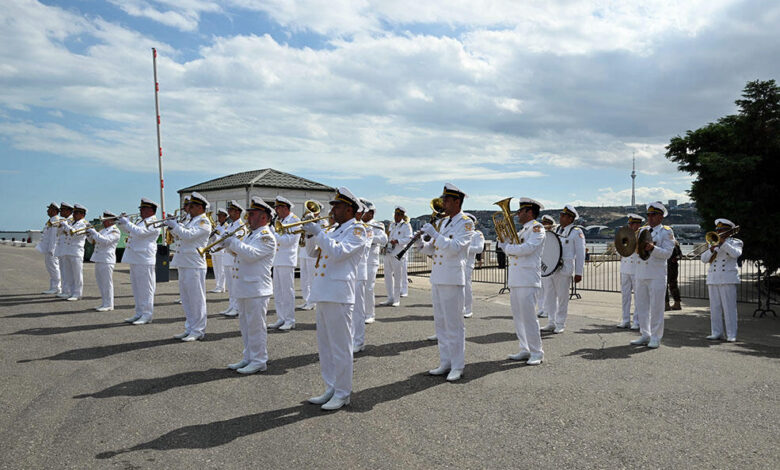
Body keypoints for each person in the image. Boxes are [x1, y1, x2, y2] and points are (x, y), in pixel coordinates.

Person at [302, 187, 366, 411]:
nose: (333, 210)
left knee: (340, 346)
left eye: (337, 206)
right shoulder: (335, 230)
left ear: (349, 209)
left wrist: (319, 232)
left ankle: (343, 392)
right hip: (324, 291)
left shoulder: (357, 230)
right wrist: (311, 235)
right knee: (326, 346)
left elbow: (339, 253)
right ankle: (330, 387)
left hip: (339, 294)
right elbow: (312, 254)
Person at [415, 183, 474, 382]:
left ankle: (457, 365)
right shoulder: (444, 223)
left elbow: (455, 247)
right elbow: (433, 250)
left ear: (457, 201)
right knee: (440, 323)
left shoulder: (466, 223)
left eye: (447, 200)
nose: (443, 203)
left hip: (452, 278)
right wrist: (419, 243)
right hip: (439, 277)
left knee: (454, 324)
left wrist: (434, 234)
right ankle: (445, 361)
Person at [224, 197, 277, 373]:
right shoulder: (251, 234)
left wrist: (235, 243)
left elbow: (252, 254)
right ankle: (248, 357)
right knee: (245, 326)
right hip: (245, 286)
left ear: (264, 217)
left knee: (256, 327)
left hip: (256, 288)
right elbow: (240, 255)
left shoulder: (267, 236)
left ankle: (259, 360)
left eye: (252, 214)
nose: (248, 217)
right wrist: (228, 246)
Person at [500, 197, 546, 365]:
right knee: (518, 317)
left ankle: (537, 352)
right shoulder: (521, 231)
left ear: (529, 212)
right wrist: (503, 242)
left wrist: (508, 248)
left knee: (529, 317)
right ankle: (524, 348)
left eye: (520, 211)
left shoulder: (537, 228)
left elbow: (528, 248)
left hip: (528, 279)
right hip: (516, 278)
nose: (517, 214)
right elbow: (512, 248)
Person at [166, 192, 212, 341]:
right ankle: (190, 327)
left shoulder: (203, 222)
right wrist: (174, 227)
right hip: (184, 262)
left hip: (194, 264)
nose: (188, 209)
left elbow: (189, 235)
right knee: (186, 299)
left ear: (200, 207)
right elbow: (180, 236)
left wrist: (176, 226)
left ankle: (198, 330)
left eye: (191, 206)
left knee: (196, 299)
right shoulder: (191, 220)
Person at [630, 201, 676, 349]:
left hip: (656, 274)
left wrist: (652, 248)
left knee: (656, 307)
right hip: (641, 273)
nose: (650, 217)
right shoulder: (642, 230)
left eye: (653, 214)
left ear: (661, 217)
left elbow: (667, 254)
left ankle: (656, 337)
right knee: (641, 306)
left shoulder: (666, 232)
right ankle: (645, 334)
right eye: (648, 215)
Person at [541, 204, 585, 334]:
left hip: (564, 268)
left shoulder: (576, 232)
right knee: (549, 295)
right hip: (552, 268)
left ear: (571, 218)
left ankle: (560, 323)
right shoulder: (556, 229)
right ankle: (551, 321)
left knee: (562, 297)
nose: (561, 217)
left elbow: (581, 253)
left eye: (564, 215)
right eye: (561, 214)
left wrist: (579, 272)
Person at [117, 198, 159, 325]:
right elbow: (130, 231)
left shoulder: (154, 222)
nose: (141, 211)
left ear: (150, 210)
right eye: (141, 209)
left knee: (146, 288)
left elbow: (141, 233)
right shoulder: (142, 221)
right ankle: (139, 312)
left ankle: (147, 314)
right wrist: (122, 224)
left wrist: (128, 223)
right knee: (136, 288)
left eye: (143, 209)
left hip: (145, 258)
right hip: (136, 257)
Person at [701, 218, 742, 342]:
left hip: (728, 278)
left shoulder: (736, 242)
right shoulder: (712, 243)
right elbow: (704, 259)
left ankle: (731, 334)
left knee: (729, 308)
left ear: (729, 231)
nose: (719, 232)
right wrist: (711, 249)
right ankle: (716, 332)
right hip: (713, 278)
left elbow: (736, 254)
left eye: (722, 230)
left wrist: (723, 243)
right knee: (714, 308)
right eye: (718, 230)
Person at [269, 196, 301, 330]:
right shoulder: (279, 220)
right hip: (277, 259)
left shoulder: (295, 221)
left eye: (278, 207)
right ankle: (281, 318)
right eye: (276, 208)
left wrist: (272, 234)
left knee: (287, 291)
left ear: (285, 208)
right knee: (277, 291)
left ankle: (290, 320)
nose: (276, 210)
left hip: (287, 260)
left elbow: (290, 241)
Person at [86, 211, 121, 311]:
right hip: (99, 258)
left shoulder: (115, 231)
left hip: (107, 259)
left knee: (106, 283)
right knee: (100, 282)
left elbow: (105, 241)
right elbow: (93, 241)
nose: (103, 222)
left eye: (105, 220)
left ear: (111, 221)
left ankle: (109, 304)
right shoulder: (103, 230)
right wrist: (88, 235)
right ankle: (104, 303)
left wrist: (94, 232)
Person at [351, 200, 373, 352]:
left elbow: (363, 247)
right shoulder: (345, 228)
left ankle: (358, 341)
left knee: (358, 309)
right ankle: (349, 339)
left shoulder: (367, 229)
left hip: (358, 272)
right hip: (347, 273)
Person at [361, 199, 387, 324]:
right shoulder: (357, 224)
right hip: (359, 261)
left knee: (369, 288)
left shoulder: (377, 225)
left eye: (365, 212)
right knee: (358, 288)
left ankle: (370, 314)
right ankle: (359, 312)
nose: (362, 214)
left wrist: (369, 237)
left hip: (371, 261)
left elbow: (384, 239)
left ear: (371, 213)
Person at [617, 214, 644, 328]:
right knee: (625, 296)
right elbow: (619, 251)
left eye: (633, 224)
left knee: (638, 296)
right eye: (630, 224)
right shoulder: (625, 235)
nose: (631, 226)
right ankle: (625, 319)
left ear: (638, 224)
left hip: (637, 269)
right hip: (625, 269)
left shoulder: (642, 235)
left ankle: (637, 321)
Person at [57, 204, 88, 301]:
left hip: (76, 251)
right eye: (74, 212)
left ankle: (77, 293)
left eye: (76, 213)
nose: (74, 215)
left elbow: (75, 234)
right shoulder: (72, 223)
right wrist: (62, 227)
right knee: (68, 273)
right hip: (68, 250)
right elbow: (61, 233)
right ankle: (69, 292)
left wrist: (66, 225)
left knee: (77, 274)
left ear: (82, 214)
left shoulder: (84, 224)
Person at [382, 206, 412, 307]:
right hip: (389, 252)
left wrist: (398, 241)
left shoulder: (406, 226)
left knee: (398, 277)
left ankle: (396, 299)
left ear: (403, 216)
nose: (396, 216)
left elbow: (409, 238)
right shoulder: (391, 225)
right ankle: (390, 297)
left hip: (398, 254)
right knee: (387, 277)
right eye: (395, 214)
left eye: (399, 214)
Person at [219, 200, 245, 317]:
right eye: (229, 210)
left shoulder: (241, 226)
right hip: (227, 256)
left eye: (232, 211)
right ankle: (231, 305)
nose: (230, 213)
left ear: (238, 212)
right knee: (230, 285)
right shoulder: (230, 225)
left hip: (234, 256)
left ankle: (237, 307)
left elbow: (238, 241)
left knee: (235, 284)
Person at [297, 201, 324, 311]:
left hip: (314, 252)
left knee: (312, 279)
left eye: (314, 210)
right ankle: (306, 299)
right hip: (304, 251)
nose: (311, 212)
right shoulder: (306, 219)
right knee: (304, 279)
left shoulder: (322, 222)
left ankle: (313, 302)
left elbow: (321, 233)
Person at [37, 202, 62, 294]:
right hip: (49, 248)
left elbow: (54, 237)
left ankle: (56, 287)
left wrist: (52, 249)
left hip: (52, 249)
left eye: (50, 209)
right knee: (51, 268)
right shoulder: (51, 220)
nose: (47, 211)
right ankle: (53, 287)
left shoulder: (55, 221)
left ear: (54, 211)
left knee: (54, 268)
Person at [463, 213, 485, 318]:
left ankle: (468, 309)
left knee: (466, 286)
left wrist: (463, 247)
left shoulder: (477, 234)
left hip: (468, 263)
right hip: (457, 262)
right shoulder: (461, 233)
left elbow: (479, 248)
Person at [537, 214, 556, 318]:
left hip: (549, 265)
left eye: (545, 223)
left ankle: (548, 310)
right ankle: (541, 308)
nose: (543, 225)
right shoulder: (541, 234)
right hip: (541, 263)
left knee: (549, 289)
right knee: (541, 289)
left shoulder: (552, 235)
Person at [54, 202, 74, 299]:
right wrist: (60, 226)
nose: (60, 211)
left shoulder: (71, 220)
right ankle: (64, 290)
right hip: (61, 248)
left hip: (68, 248)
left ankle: (68, 291)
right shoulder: (64, 220)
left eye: (62, 210)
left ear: (68, 211)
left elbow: (70, 232)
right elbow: (58, 233)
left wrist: (65, 225)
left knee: (68, 271)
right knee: (63, 270)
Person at [208, 208, 229, 293]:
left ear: (225, 217)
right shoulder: (218, 226)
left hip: (221, 250)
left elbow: (224, 238)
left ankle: (222, 287)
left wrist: (217, 234)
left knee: (221, 269)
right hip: (215, 250)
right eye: (218, 216)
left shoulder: (227, 226)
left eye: (220, 216)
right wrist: (212, 235)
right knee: (216, 269)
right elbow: (214, 239)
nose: (219, 218)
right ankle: (217, 285)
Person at [665, 241, 683, 311]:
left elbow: (679, 255)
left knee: (665, 285)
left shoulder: (667, 243)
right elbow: (680, 255)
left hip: (668, 266)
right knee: (673, 285)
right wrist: (676, 259)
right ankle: (677, 303)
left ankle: (666, 304)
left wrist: (675, 259)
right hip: (673, 266)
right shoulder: (676, 243)